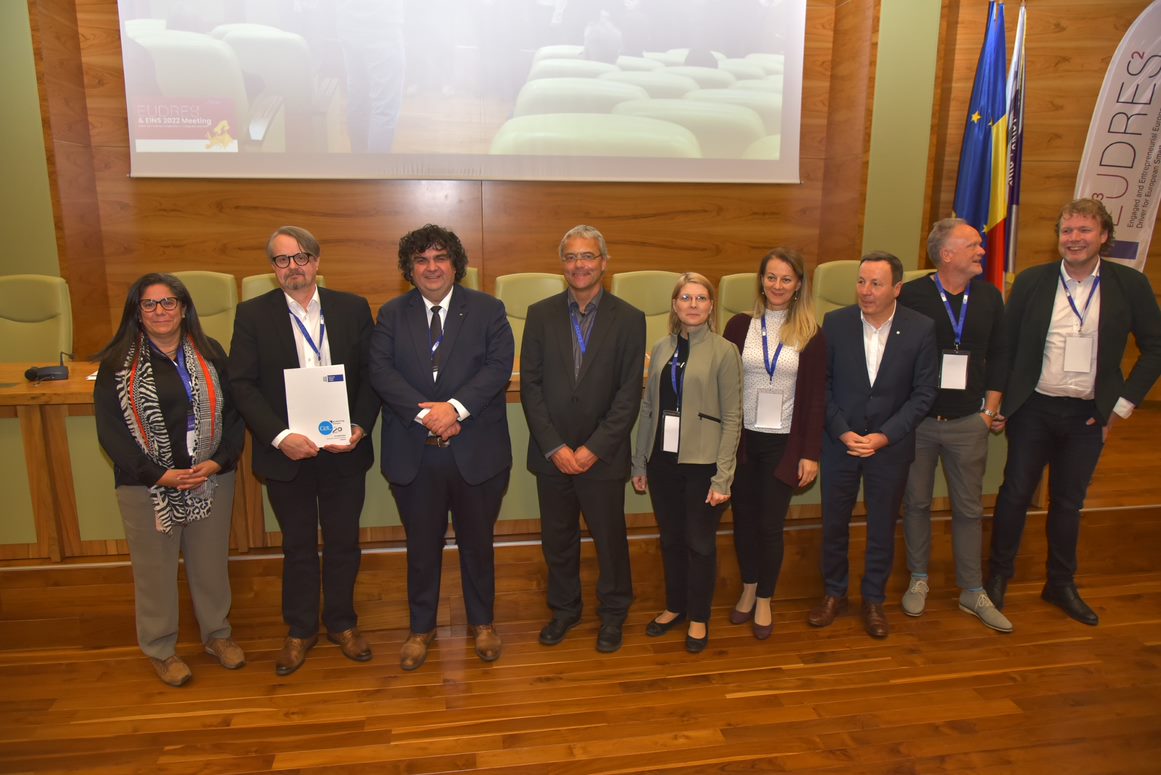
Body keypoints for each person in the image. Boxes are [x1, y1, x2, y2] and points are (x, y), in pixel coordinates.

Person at [986, 198, 1161, 625]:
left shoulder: (1130, 284)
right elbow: (1007, 346)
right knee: (1014, 494)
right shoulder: (1032, 281)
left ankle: (1060, 584)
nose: (1074, 239)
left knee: (1068, 502)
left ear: (1104, 237)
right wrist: (1001, 402)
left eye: (1084, 230)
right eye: (1067, 231)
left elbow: (1155, 347)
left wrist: (1119, 407)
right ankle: (997, 578)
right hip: (1033, 409)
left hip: (1088, 415)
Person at [229, 226, 380, 676]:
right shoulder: (252, 315)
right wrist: (279, 437)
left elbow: (373, 375)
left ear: (316, 261)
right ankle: (300, 630)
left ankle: (343, 624)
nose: (292, 267)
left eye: (301, 257)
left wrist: (359, 426)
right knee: (297, 546)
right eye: (282, 259)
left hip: (342, 449)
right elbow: (242, 384)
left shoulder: (352, 308)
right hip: (287, 454)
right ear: (272, 268)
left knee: (343, 542)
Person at [369, 224, 515, 670]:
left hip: (476, 451)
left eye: (439, 258)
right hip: (414, 451)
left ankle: (483, 623)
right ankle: (421, 628)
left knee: (478, 543)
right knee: (421, 546)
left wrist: (454, 409)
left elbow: (498, 367)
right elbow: (380, 371)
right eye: (421, 260)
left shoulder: (488, 309)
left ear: (455, 264)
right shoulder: (392, 314)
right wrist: (427, 416)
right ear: (409, 269)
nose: (431, 267)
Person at [94, 273, 245, 687]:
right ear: (137, 312)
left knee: (210, 564)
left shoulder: (210, 352)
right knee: (155, 572)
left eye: (168, 302)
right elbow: (111, 433)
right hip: (146, 485)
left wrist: (217, 462)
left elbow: (234, 415)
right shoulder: (117, 364)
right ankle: (161, 649)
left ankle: (217, 635)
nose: (160, 311)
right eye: (149, 304)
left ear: (183, 308)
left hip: (209, 479)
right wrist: (159, 474)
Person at [520, 225, 645, 653]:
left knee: (610, 541)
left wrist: (594, 448)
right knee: (558, 540)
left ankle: (614, 613)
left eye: (588, 256)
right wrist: (555, 447)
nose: (579, 265)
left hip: (602, 455)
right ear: (562, 264)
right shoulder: (540, 314)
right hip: (551, 454)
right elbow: (531, 387)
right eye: (571, 257)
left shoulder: (629, 318)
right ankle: (564, 610)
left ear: (604, 262)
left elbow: (628, 394)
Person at [810, 251, 938, 639]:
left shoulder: (921, 328)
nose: (866, 291)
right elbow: (821, 385)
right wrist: (841, 430)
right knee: (834, 524)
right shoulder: (836, 323)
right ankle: (834, 593)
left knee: (882, 526)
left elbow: (924, 393)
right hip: (841, 443)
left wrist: (885, 436)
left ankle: (873, 599)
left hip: (889, 447)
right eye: (861, 282)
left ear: (896, 288)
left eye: (876, 284)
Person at [897, 219, 1012, 633]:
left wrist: (989, 411)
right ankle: (918, 578)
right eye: (973, 245)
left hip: (969, 422)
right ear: (946, 254)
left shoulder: (989, 296)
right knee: (917, 504)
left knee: (968, 508)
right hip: (920, 423)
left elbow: (1001, 354)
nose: (982, 251)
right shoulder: (912, 295)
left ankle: (972, 589)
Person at [632, 272, 742, 653]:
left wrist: (723, 477)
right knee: (671, 539)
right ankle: (675, 606)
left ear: (711, 306)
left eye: (700, 298)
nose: (692, 305)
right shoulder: (661, 347)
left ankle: (698, 616)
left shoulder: (725, 351)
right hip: (662, 461)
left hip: (703, 463)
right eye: (685, 298)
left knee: (700, 543)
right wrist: (639, 462)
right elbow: (649, 408)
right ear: (674, 305)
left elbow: (733, 417)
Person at [722, 248, 826, 640]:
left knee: (769, 524)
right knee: (744, 520)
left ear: (798, 285)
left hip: (783, 443)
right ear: (761, 281)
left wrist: (810, 453)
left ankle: (765, 596)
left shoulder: (811, 334)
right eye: (771, 277)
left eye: (786, 279)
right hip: (742, 442)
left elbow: (816, 400)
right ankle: (748, 587)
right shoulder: (738, 326)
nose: (777, 285)